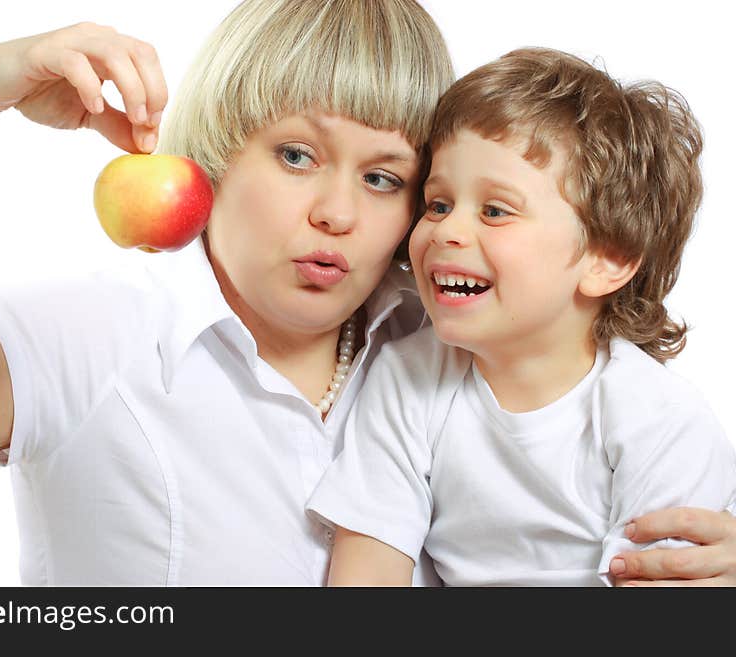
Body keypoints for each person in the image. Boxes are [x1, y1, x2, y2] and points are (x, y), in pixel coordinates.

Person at [0, 0, 733, 586]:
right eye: (297, 155)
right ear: (220, 148)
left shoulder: (449, 340)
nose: (339, 213)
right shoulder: (96, 332)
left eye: (389, 179)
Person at [306, 47, 736, 587]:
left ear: (609, 260)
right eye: (437, 205)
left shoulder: (660, 419)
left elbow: (665, 584)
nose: (446, 231)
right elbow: (366, 577)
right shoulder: (409, 379)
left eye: (495, 211)